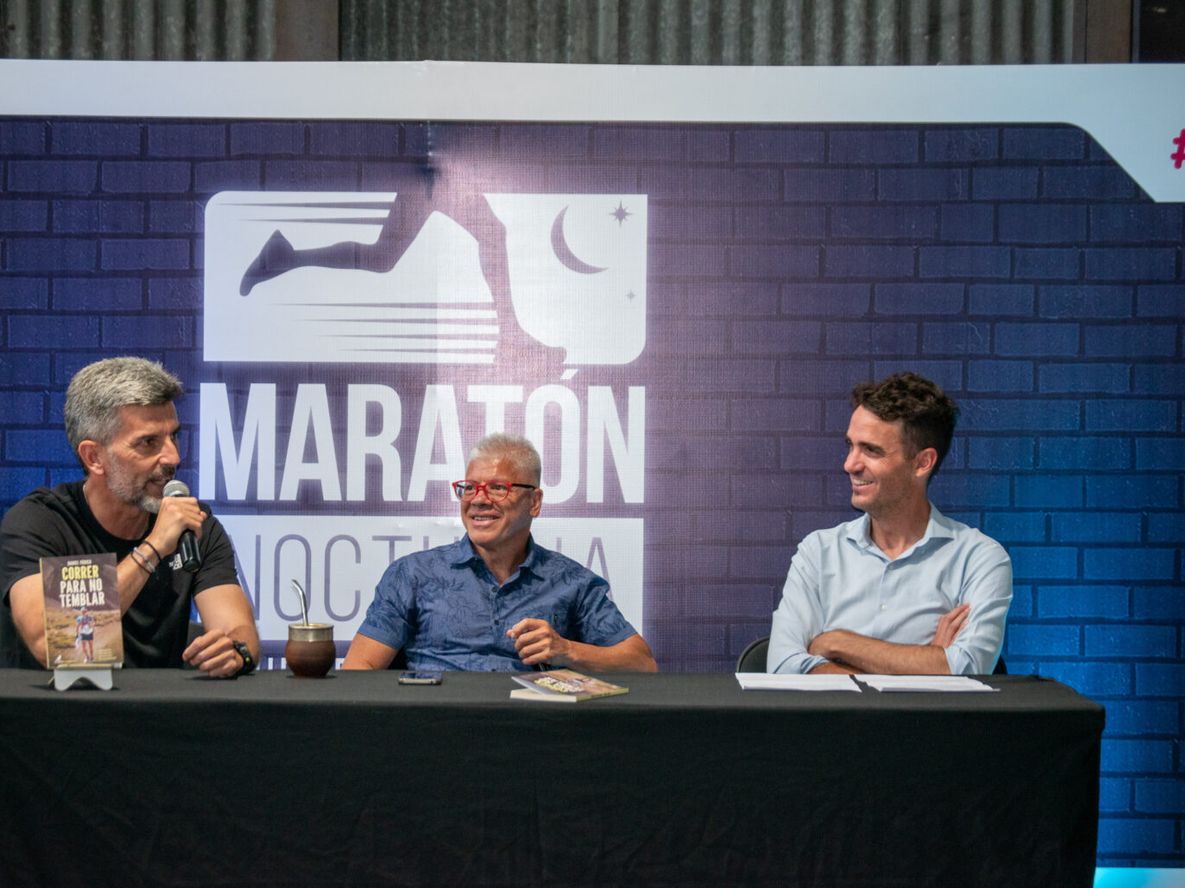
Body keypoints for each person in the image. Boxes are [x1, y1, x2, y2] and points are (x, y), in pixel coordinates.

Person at [0, 357, 260, 677]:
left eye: (173, 437)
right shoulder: (40, 522)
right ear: (94, 457)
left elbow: (237, 627)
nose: (173, 457)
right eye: (149, 443)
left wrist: (235, 652)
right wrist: (152, 549)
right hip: (55, 718)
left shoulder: (193, 523)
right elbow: (55, 644)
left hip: (155, 717)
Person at [343, 433, 657, 672]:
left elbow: (642, 664)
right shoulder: (412, 575)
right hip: (433, 735)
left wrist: (567, 651)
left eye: (497, 488)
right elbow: (359, 670)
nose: (478, 500)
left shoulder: (572, 581)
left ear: (534, 502)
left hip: (533, 738)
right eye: (469, 488)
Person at [768, 372, 1012, 675]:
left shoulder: (979, 558)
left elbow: (966, 668)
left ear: (922, 462)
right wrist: (926, 663)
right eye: (850, 445)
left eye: (871, 450)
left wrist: (836, 642)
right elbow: (784, 666)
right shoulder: (818, 551)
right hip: (833, 724)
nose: (850, 464)